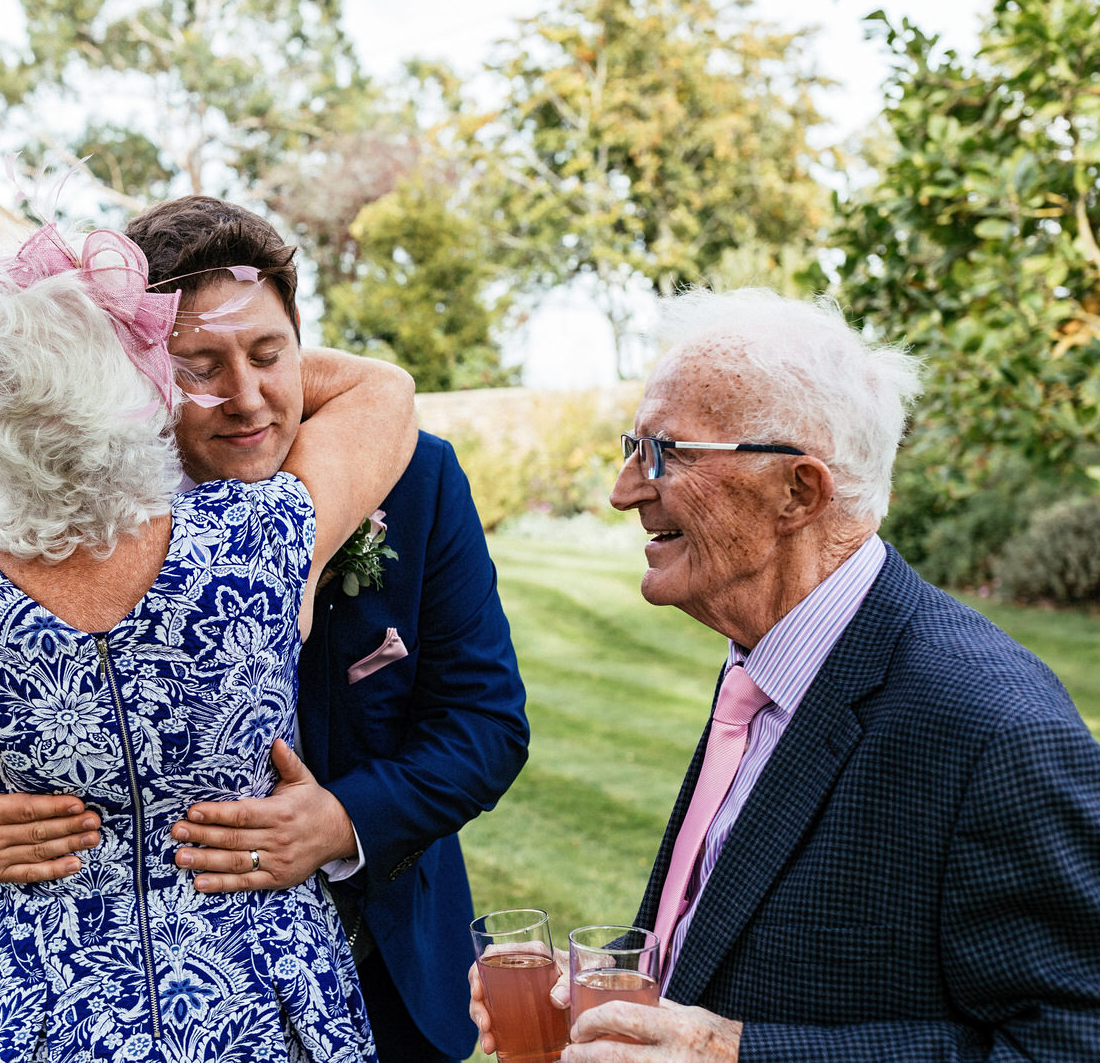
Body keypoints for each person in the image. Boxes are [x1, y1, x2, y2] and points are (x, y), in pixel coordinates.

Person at [0, 197, 531, 1062]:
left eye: (271, 353)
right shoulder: (90, 513)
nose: (248, 397)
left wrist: (340, 821)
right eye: (199, 365)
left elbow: (484, 725)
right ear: (140, 377)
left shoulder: (417, 478)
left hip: (386, 962)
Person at [468, 288, 1100, 1061]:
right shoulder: (763, 660)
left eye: (663, 453)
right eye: (630, 447)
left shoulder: (996, 730)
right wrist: (615, 993)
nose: (624, 489)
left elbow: (1071, 1039)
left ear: (798, 491)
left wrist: (735, 1053)